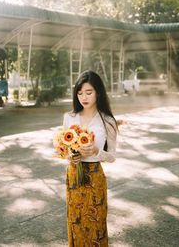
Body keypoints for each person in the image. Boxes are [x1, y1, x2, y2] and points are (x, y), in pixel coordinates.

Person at [63, 70, 118, 247]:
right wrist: (72, 156)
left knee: (96, 224)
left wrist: (96, 151)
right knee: (76, 223)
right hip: (74, 176)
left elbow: (112, 157)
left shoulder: (107, 121)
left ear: (98, 93)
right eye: (79, 93)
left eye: (89, 92)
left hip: (95, 176)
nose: (83, 97)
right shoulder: (69, 117)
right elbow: (64, 150)